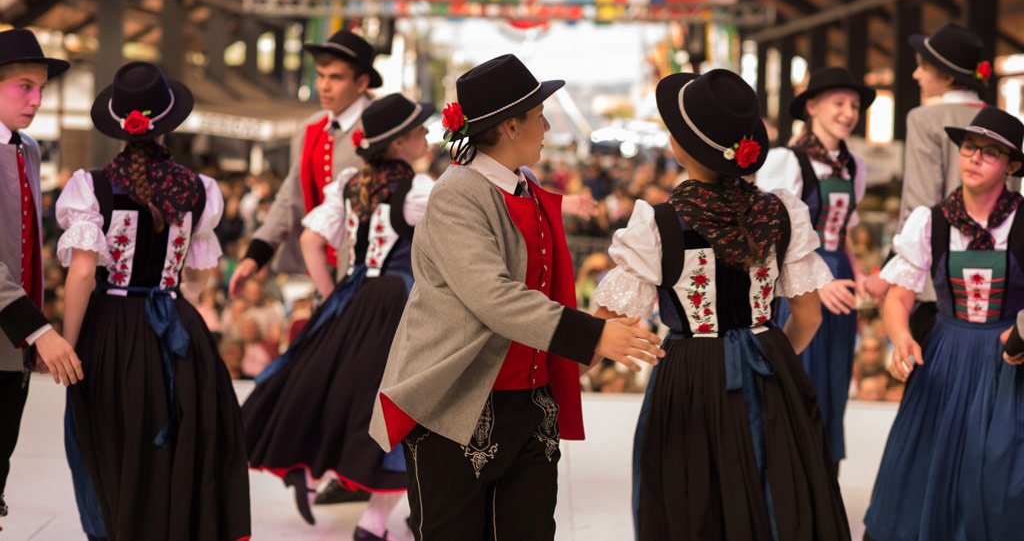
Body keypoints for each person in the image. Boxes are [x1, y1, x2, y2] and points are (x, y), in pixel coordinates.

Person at [369, 54, 664, 540]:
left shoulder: (523, 186)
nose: (547, 125)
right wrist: (592, 335)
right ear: (509, 127)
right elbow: (493, 295)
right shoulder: (456, 194)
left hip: (528, 402)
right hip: (459, 399)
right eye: (538, 115)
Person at [592, 69, 849, 540]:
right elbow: (808, 316)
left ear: (683, 148)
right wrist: (772, 358)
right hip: (770, 364)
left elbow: (606, 326)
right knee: (778, 491)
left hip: (692, 372)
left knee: (693, 496)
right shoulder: (782, 211)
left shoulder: (658, 224)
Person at [55, 61, 250, 540]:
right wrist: (175, 294)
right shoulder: (200, 191)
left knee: (111, 440)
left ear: (120, 126)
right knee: (181, 443)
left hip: (111, 327)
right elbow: (201, 273)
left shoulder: (92, 187)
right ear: (170, 124)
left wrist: (69, 343)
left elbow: (82, 273)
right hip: (176, 326)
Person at [244, 94, 435, 539]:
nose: (427, 135)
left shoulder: (351, 182)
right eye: (420, 131)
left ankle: (350, 491)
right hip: (400, 300)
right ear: (400, 144)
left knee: (344, 394)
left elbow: (312, 241)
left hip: (354, 294)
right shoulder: (419, 188)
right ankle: (376, 519)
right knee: (402, 403)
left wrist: (336, 296)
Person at [864, 106, 1024, 541]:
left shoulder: (1023, 222)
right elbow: (899, 294)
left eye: (989, 153)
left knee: (1000, 477)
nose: (973, 158)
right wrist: (901, 339)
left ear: (1011, 166)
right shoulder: (930, 221)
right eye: (969, 147)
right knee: (923, 472)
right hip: (945, 358)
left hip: (1010, 362)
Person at [755, 66, 874, 465]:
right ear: (812, 107)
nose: (848, 112)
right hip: (799, 282)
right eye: (838, 103)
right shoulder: (787, 160)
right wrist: (816, 280)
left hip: (839, 283)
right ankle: (791, 478)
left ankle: (824, 481)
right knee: (799, 380)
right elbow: (771, 235)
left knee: (834, 384)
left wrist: (859, 279)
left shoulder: (854, 165)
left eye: (854, 105)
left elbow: (843, 235)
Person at [863, 23, 1001, 333]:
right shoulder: (1000, 123)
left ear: (948, 77)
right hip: (993, 279)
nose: (915, 75)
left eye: (922, 67)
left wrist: (889, 270)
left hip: (936, 280)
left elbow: (920, 203)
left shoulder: (924, 119)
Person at [0, 28, 82, 522]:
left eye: (41, 90)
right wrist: (37, 327)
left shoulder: (28, 149)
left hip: (13, 342)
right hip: (17, 325)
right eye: (23, 86)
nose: (35, 100)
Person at [230, 29, 381, 296]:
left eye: (335, 77)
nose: (324, 86)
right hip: (320, 267)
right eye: (321, 76)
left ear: (361, 83)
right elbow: (290, 196)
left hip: (369, 268)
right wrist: (257, 253)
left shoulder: (380, 127)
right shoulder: (311, 127)